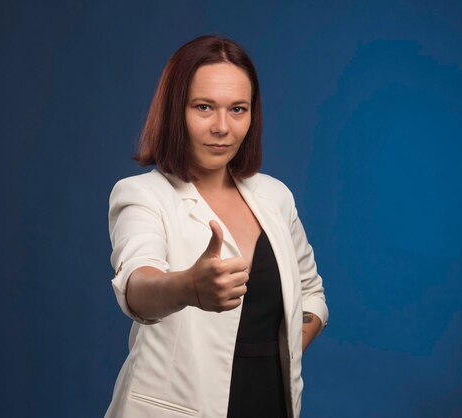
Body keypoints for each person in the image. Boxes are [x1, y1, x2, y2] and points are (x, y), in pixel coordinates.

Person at [105, 35, 328, 418]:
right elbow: (137, 286)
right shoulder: (142, 194)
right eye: (204, 107)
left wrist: (279, 354)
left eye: (238, 109)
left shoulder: (275, 196)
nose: (222, 127)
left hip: (270, 400)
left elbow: (311, 292)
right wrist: (189, 286)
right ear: (176, 111)